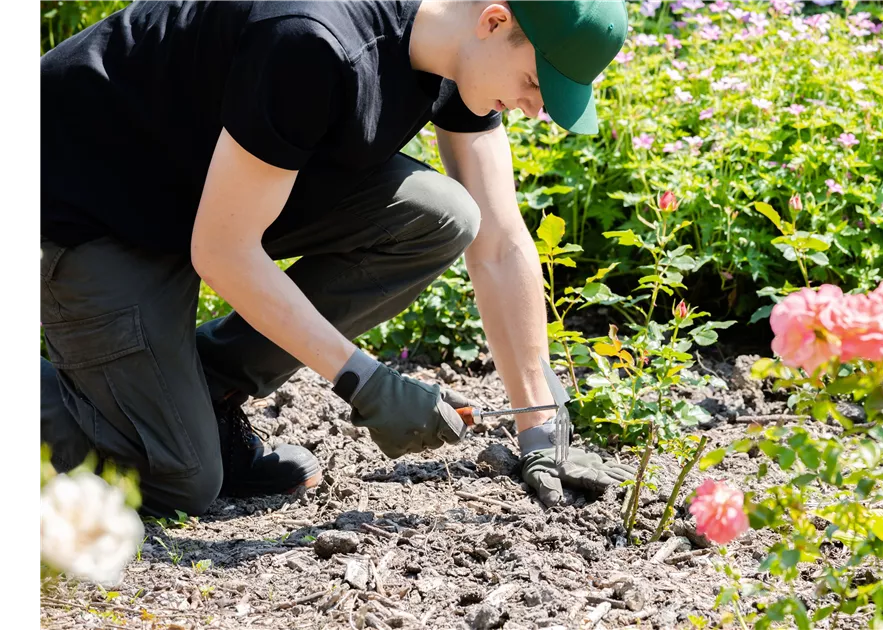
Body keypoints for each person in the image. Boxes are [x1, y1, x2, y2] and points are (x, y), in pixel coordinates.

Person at [39, 0, 636, 518]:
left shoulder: (457, 46)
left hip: (200, 186)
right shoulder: (312, 39)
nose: (534, 109)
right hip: (88, 201)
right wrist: (366, 382)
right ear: (494, 20)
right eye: (534, 82)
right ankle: (155, 423)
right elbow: (222, 251)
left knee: (441, 215)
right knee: (183, 478)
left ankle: (201, 396)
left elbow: (501, 240)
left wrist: (539, 422)